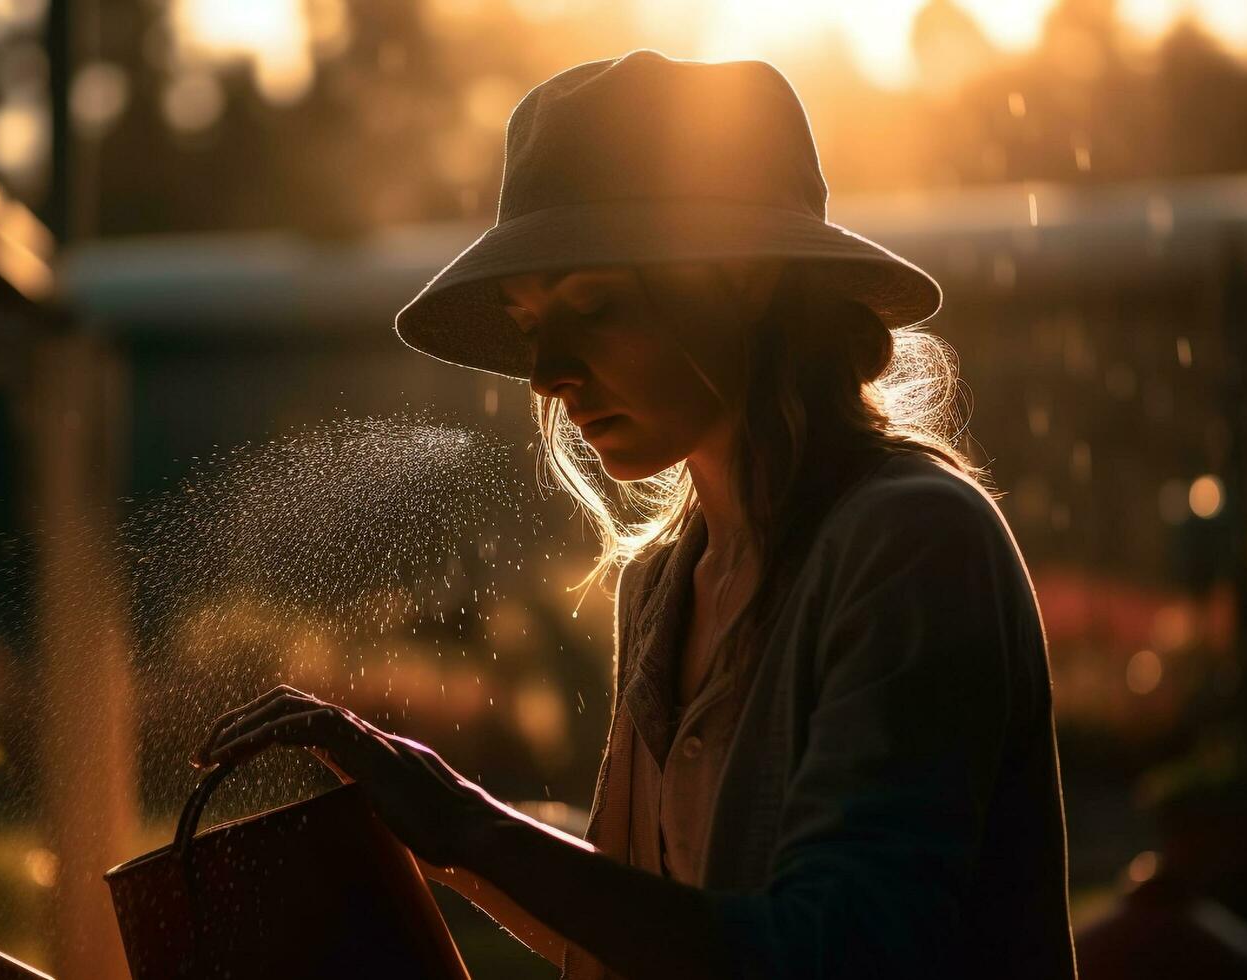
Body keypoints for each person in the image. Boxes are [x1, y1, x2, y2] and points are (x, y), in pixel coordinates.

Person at [192, 49, 1078, 979]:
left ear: (743, 278)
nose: (547, 374)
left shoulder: (910, 545)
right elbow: (637, 934)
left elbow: (828, 953)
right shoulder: (662, 584)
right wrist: (422, 830)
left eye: (595, 307)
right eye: (531, 324)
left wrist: (465, 823)